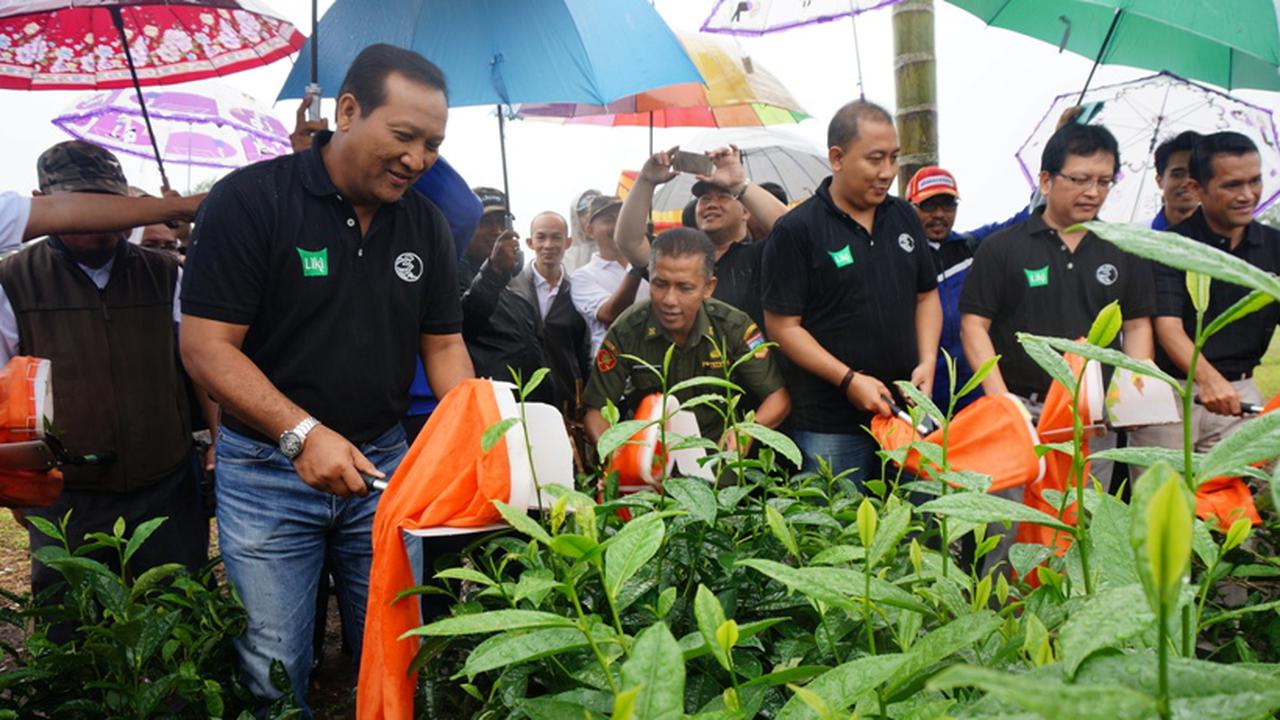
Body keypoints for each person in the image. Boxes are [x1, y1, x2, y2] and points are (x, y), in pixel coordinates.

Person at [179, 44, 473, 711]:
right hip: (267, 473)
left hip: (383, 469)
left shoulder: (424, 223)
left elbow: (447, 344)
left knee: (397, 645)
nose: (419, 159)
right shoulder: (251, 201)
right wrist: (301, 434)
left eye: (432, 143)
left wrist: (482, 440)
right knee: (276, 662)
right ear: (346, 111)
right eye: (404, 136)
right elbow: (206, 347)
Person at [0, 141, 208, 600]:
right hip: (68, 492)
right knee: (71, 622)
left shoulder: (166, 273)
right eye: (85, 205)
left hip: (166, 479)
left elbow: (201, 365)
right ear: (44, 204)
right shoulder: (13, 280)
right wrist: (19, 484)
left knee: (184, 609)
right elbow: (5, 388)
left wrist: (217, 444)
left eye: (113, 206)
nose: (103, 223)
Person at [959, 122, 1156, 485]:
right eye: (1080, 179)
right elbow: (974, 325)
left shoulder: (1126, 249)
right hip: (1024, 410)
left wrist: (1133, 390)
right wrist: (1005, 404)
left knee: (1081, 522)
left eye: (1104, 181)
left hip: (1092, 419)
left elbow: (1137, 324)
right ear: (1046, 181)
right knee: (1012, 528)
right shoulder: (1002, 249)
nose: (1093, 192)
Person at [761, 100, 942, 482]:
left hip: (905, 413)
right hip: (830, 425)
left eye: (894, 158)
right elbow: (782, 326)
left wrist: (927, 360)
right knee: (836, 531)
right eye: (875, 159)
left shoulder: (905, 217)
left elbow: (926, 296)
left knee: (916, 527)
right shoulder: (797, 229)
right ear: (838, 158)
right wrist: (848, 379)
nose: (888, 172)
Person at [583, 228, 789, 447]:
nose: (670, 300)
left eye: (684, 288)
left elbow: (778, 398)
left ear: (708, 287)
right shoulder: (627, 330)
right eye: (660, 284)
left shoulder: (732, 327)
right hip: (649, 455)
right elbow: (596, 410)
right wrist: (613, 457)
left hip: (716, 455)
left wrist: (746, 432)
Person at [1138, 131, 1277, 451]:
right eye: (1232, 185)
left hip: (1240, 391)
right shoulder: (1171, 247)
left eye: (1254, 181)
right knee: (1164, 496)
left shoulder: (1274, 246)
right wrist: (1209, 379)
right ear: (1196, 188)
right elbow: (1168, 327)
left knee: (1230, 497)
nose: (1247, 195)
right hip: (1172, 392)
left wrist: (1227, 386)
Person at [615, 145, 788, 327]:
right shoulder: (677, 257)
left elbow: (793, 232)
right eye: (704, 199)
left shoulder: (762, 256)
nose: (711, 204)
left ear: (745, 212)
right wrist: (645, 181)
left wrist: (738, 183)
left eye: (723, 197)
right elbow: (629, 242)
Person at [905, 166, 1028, 410]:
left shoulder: (974, 247)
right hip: (923, 393)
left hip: (977, 391)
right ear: (910, 207)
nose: (939, 214)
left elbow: (1028, 218)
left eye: (948, 205)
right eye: (929, 206)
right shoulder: (901, 258)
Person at [462, 210, 590, 413]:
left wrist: (587, 401)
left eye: (556, 237)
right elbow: (466, 323)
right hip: (507, 404)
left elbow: (583, 352)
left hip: (564, 403)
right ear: (530, 242)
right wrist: (494, 273)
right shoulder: (508, 284)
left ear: (568, 242)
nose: (549, 245)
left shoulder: (579, 289)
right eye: (541, 237)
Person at [570, 194, 649, 355]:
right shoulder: (582, 277)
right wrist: (637, 267)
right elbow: (611, 314)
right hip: (613, 368)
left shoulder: (652, 265)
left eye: (622, 217)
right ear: (590, 231)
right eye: (609, 219)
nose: (619, 225)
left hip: (655, 360)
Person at [459, 187, 514, 288]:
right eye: (486, 222)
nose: (497, 231)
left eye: (502, 222)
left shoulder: (517, 277)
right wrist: (493, 270)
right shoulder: (448, 270)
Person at [1151, 130, 1202, 230]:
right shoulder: (1135, 235)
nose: (1187, 182)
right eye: (1177, 175)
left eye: (1196, 174)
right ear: (1159, 181)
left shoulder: (1225, 240)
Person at [563, 188, 601, 273]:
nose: (590, 218)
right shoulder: (562, 258)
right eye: (585, 213)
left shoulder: (617, 252)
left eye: (595, 213)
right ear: (575, 218)